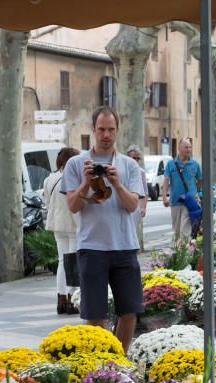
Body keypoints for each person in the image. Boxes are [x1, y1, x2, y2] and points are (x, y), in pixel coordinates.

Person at [61, 106, 145, 354]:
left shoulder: (129, 165)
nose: (106, 135)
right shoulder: (76, 164)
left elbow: (132, 206)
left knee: (129, 312)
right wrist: (87, 182)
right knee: (95, 315)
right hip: (92, 248)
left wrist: (117, 183)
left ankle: (118, 360)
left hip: (125, 247)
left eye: (110, 129)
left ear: (117, 130)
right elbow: (73, 206)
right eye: (101, 129)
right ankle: (97, 365)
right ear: (93, 130)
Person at [43, 146, 80, 315]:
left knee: (61, 262)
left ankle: (61, 299)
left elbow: (47, 201)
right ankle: (72, 299)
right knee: (73, 262)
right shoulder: (73, 177)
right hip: (73, 223)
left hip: (57, 223)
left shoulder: (50, 178)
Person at [162, 138, 201, 244]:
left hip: (189, 201)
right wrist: (164, 197)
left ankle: (186, 255)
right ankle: (178, 256)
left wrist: (194, 192)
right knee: (177, 231)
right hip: (175, 201)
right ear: (179, 148)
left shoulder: (195, 164)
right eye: (186, 147)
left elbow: (200, 181)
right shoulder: (171, 164)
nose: (188, 149)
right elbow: (166, 181)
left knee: (185, 231)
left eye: (190, 147)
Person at [125, 145, 149, 251]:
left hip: (135, 206)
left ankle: (132, 250)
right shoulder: (121, 170)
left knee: (131, 230)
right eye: (133, 158)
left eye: (137, 158)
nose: (135, 160)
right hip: (123, 204)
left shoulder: (141, 172)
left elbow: (145, 191)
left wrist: (144, 207)